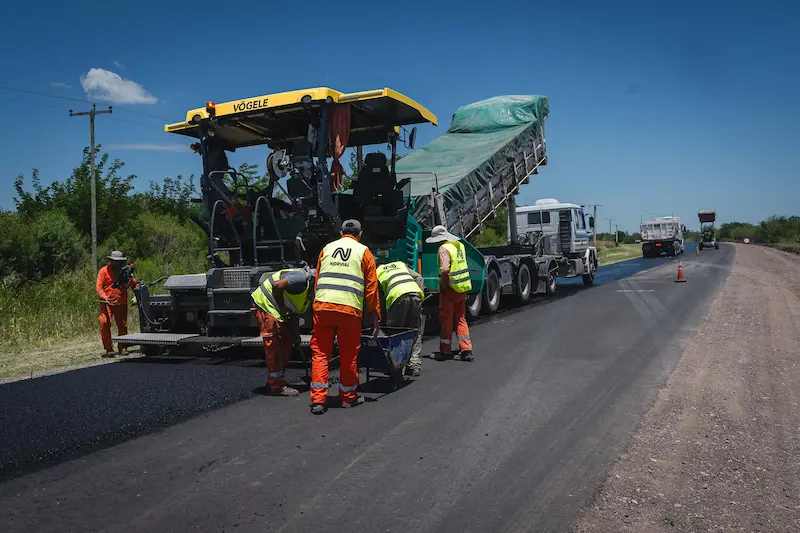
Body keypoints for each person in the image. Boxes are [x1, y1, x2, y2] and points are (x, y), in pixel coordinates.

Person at [309, 219, 380, 415]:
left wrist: (318, 305)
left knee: (321, 353)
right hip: (349, 309)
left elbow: (317, 280)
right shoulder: (364, 252)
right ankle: (348, 397)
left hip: (323, 306)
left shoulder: (327, 249)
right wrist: (374, 315)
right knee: (349, 354)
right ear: (360, 234)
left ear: (341, 233)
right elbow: (371, 288)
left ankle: (318, 400)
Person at [251, 267, 316, 397]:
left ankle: (276, 380)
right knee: (273, 346)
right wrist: (282, 308)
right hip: (266, 305)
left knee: (288, 341)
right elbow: (277, 285)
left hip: (279, 310)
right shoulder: (301, 278)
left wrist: (296, 334)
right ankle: (276, 386)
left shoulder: (309, 291)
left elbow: (295, 312)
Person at [425, 226, 474, 362]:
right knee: (461, 318)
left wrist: (444, 286)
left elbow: (445, 270)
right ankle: (466, 350)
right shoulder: (458, 245)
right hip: (462, 286)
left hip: (450, 288)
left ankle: (445, 351)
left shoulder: (444, 249)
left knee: (446, 319)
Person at [376, 261, 425, 376]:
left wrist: (383, 317)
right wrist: (420, 299)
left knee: (395, 332)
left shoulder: (377, 273)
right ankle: (414, 364)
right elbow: (420, 278)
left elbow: (380, 299)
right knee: (414, 330)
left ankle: (396, 366)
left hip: (397, 298)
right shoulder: (400, 265)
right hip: (415, 294)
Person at [96, 250, 137, 357]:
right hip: (107, 303)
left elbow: (133, 283)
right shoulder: (103, 271)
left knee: (122, 325)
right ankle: (109, 349)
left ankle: (122, 347)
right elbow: (99, 287)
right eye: (114, 261)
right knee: (104, 323)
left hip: (121, 302)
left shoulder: (126, 271)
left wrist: (136, 295)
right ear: (110, 260)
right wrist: (105, 297)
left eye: (119, 261)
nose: (116, 263)